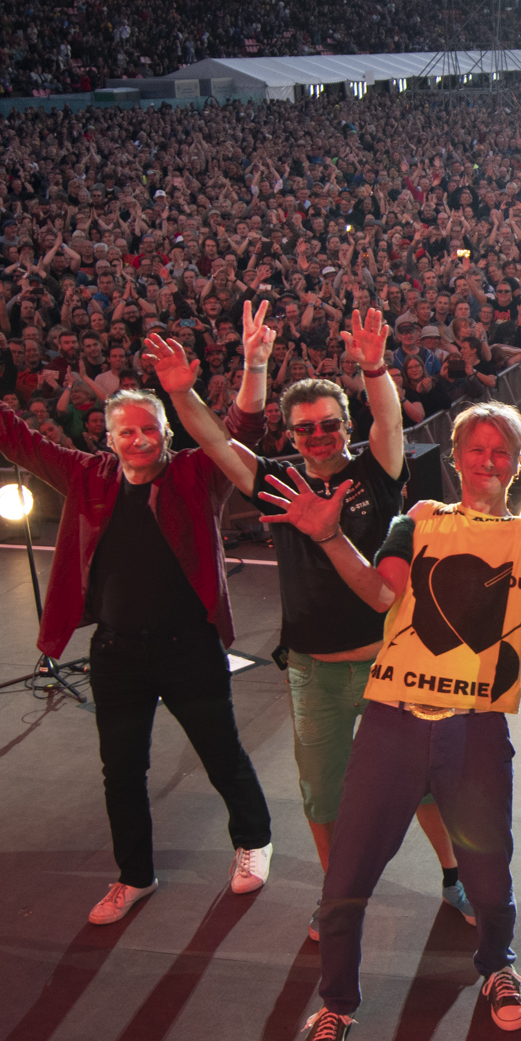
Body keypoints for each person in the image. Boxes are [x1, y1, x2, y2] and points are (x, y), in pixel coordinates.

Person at [257, 398, 521, 1041]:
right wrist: (328, 537)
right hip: (394, 724)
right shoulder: (418, 521)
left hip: (474, 732)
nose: (489, 460)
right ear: (457, 458)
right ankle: (337, 1003)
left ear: (516, 464)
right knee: (347, 878)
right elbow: (381, 596)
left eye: (502, 451)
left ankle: (498, 965)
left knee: (491, 884)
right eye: (477, 448)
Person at [0, 318, 274, 926]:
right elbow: (12, 434)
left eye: (148, 431)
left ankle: (253, 842)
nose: (137, 441)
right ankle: (134, 875)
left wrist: (253, 366)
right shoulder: (85, 477)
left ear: (165, 433)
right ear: (107, 438)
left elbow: (239, 430)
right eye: (124, 432)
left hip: (192, 647)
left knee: (221, 753)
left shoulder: (194, 473)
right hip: (117, 653)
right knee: (121, 768)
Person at [149, 302, 468, 927]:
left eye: (327, 426)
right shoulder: (276, 483)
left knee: (426, 785)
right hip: (313, 671)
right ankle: (338, 893)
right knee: (321, 795)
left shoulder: (376, 473)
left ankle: (455, 878)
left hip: (389, 665)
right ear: (289, 435)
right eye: (304, 430)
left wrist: (375, 367)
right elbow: (214, 441)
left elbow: (387, 418)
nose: (317, 438)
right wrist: (184, 396)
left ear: (344, 426)